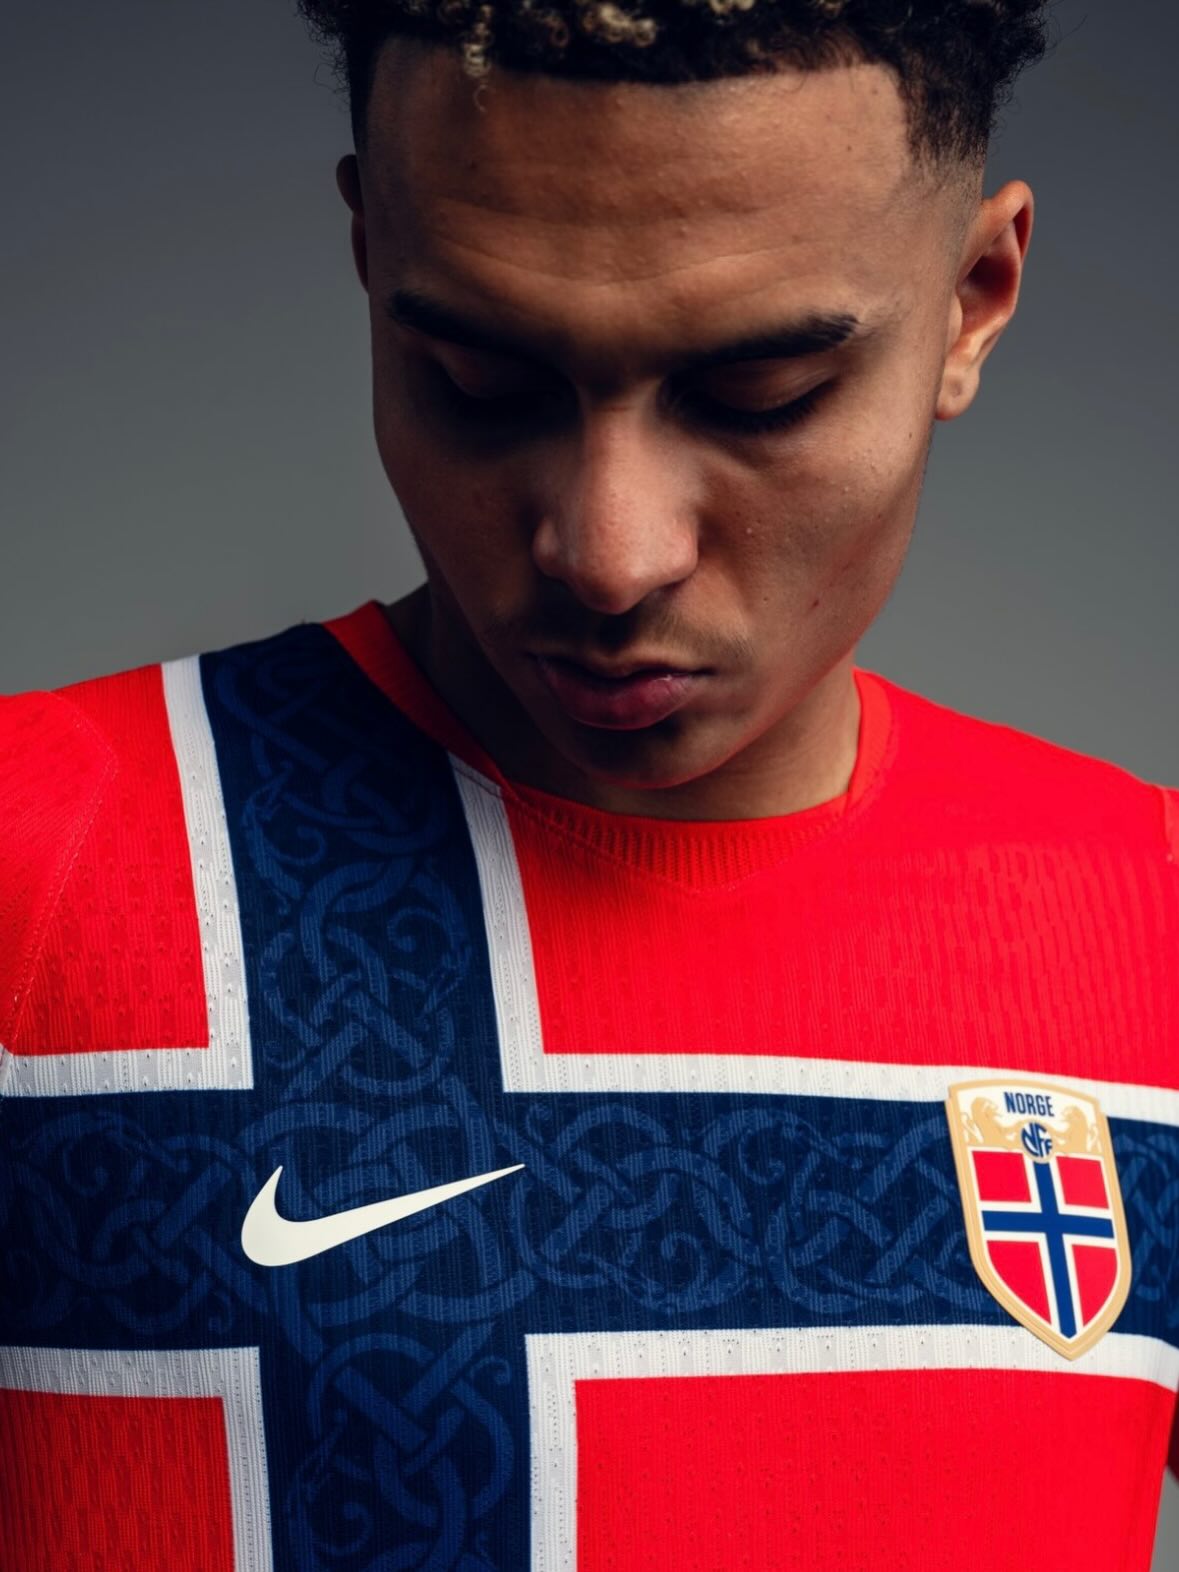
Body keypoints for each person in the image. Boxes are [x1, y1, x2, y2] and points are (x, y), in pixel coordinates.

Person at [1, 2, 1176, 1568]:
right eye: (478, 378)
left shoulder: (1155, 920)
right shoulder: (37, 865)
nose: (610, 554)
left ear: (975, 300)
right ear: (370, 257)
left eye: (762, 393)